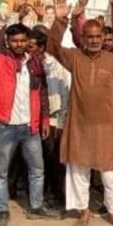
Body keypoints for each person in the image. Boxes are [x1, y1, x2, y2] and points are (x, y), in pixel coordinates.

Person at [0, 0, 60, 226]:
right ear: (8, 42)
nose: (20, 44)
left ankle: (36, 207)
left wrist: (43, 119)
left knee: (37, 170)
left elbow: (41, 92)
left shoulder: (33, 62)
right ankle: (1, 212)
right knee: (0, 172)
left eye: (23, 41)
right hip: (5, 126)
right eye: (15, 41)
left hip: (30, 127)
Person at [46, 0, 113, 226]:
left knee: (110, 172)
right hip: (80, 125)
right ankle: (84, 212)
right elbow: (52, 46)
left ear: (104, 38)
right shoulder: (75, 58)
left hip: (106, 126)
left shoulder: (112, 60)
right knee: (79, 170)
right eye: (90, 36)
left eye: (98, 37)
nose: (94, 40)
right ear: (82, 38)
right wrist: (61, 20)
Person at [28, 29, 70, 209]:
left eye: (31, 46)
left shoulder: (57, 66)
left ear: (41, 47)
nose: (28, 50)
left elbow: (65, 94)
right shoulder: (30, 65)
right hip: (34, 118)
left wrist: (62, 122)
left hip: (55, 120)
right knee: (39, 160)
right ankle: (42, 193)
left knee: (54, 160)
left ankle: (56, 195)